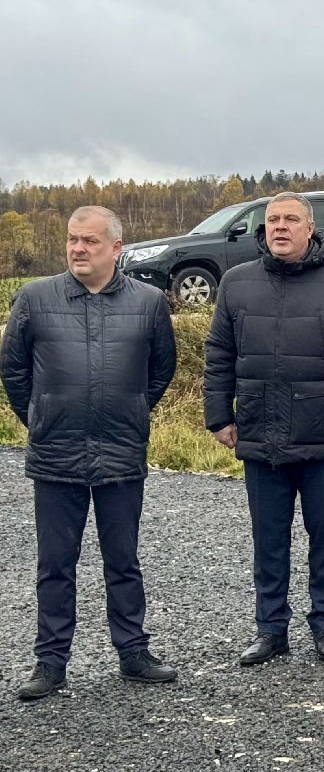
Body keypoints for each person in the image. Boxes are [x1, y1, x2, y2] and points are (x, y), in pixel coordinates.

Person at [203, 192, 324, 666]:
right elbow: (219, 356)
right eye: (272, 221)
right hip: (261, 433)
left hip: (323, 433)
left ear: (310, 228)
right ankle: (271, 630)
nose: (279, 227)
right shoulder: (236, 284)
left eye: (290, 220)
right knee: (269, 538)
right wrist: (219, 416)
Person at [1, 207, 178, 701]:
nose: (78, 248)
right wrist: (41, 417)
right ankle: (51, 662)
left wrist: (132, 412)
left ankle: (134, 653)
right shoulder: (36, 298)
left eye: (90, 241)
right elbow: (14, 372)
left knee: (123, 561)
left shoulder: (148, 303)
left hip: (121, 454)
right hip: (56, 456)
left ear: (116, 248)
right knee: (55, 564)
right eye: (72, 240)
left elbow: (160, 370)